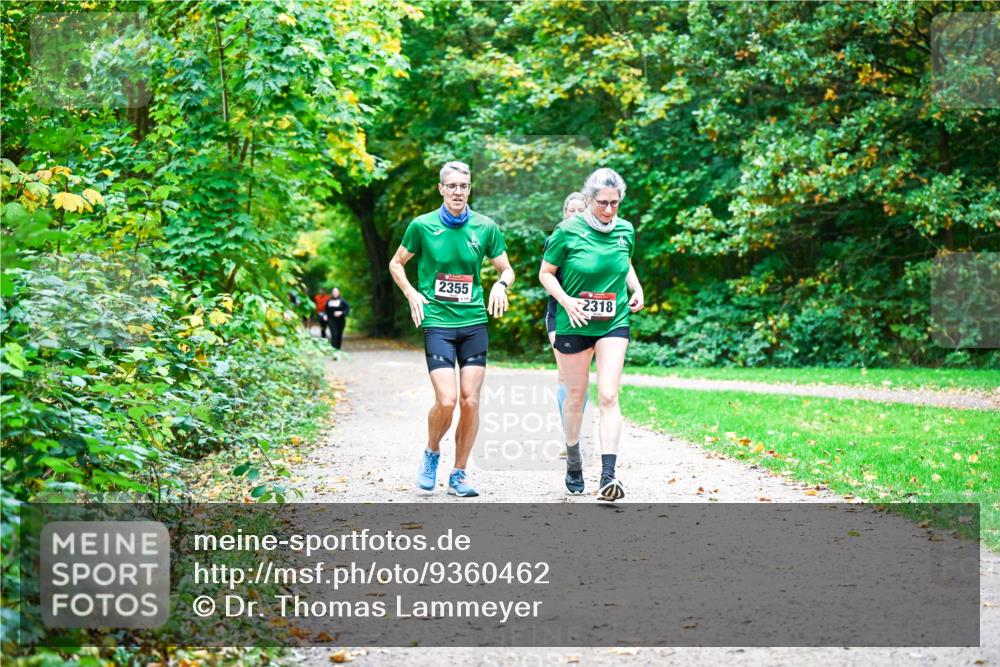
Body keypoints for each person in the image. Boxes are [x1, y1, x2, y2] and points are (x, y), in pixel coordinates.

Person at [388, 160, 514, 497]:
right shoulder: (422, 226)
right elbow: (396, 263)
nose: (458, 192)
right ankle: (431, 452)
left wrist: (501, 284)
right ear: (441, 189)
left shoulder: (485, 227)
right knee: (446, 400)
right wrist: (412, 293)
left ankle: (459, 474)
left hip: (473, 322)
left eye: (464, 186)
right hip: (438, 322)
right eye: (452, 186)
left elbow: (507, 268)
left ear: (469, 189)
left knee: (470, 400)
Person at [539, 168, 644, 501]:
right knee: (575, 397)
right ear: (588, 199)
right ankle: (573, 460)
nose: (609, 210)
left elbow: (622, 262)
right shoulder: (567, 231)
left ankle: (608, 477)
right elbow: (546, 274)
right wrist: (567, 302)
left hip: (613, 321)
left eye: (615, 203)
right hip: (575, 322)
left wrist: (636, 287)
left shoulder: (625, 230)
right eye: (602, 203)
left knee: (609, 395)